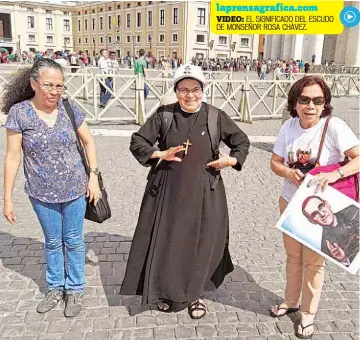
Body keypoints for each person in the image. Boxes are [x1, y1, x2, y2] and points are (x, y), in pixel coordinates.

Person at [120, 64, 250, 319]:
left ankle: (195, 295)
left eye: (195, 90)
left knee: (201, 244)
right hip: (168, 190)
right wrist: (159, 153)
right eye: (183, 90)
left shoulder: (215, 116)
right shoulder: (164, 115)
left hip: (205, 192)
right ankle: (165, 292)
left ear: (203, 90)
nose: (190, 95)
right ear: (176, 90)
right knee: (169, 242)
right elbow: (138, 140)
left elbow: (241, 141)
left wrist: (232, 160)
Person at [2, 59, 101, 317]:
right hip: (40, 193)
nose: (55, 91)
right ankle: (56, 287)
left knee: (74, 240)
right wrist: (7, 199)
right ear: (34, 83)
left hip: (75, 190)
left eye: (60, 86)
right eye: (48, 85)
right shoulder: (20, 113)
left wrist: (93, 176)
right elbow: (12, 157)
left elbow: (89, 142)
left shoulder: (69, 109)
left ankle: (76, 288)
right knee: (53, 241)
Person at [270, 75, 360, 339]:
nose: (311, 106)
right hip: (289, 202)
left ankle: (308, 314)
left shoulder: (334, 126)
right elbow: (274, 162)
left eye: (318, 101)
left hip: (322, 206)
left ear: (325, 104)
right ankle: (290, 301)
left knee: (314, 262)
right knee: (292, 257)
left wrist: (336, 174)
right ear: (295, 102)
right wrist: (287, 172)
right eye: (305, 99)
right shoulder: (288, 127)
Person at [302, 196, 359, 266]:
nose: (322, 214)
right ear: (312, 221)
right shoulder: (326, 247)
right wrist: (343, 259)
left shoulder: (355, 210)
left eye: (321, 206)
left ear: (327, 204)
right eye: (315, 214)